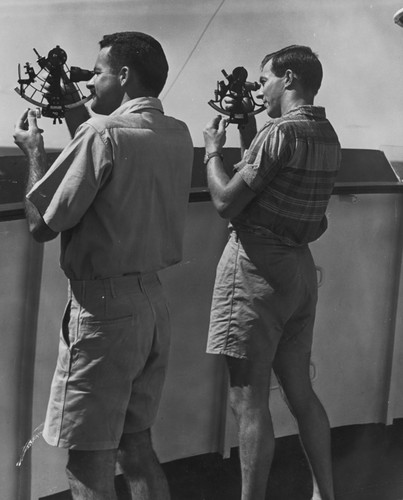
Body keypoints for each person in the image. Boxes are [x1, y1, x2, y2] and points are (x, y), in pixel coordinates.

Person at [13, 31, 194, 500]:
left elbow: (42, 225)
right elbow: (108, 148)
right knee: (136, 449)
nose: (90, 80)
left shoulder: (100, 135)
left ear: (126, 76)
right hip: (151, 305)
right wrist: (80, 107)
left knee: (87, 463)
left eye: (98, 71)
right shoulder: (176, 132)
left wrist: (34, 154)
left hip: (104, 316)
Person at [203, 45, 341, 500]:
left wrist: (211, 152)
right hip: (299, 273)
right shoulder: (325, 133)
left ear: (289, 79)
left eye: (265, 80)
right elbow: (279, 190)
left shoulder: (279, 133)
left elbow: (227, 201)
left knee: (248, 400)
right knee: (300, 391)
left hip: (256, 272)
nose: (260, 89)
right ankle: (325, 494)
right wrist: (250, 133)